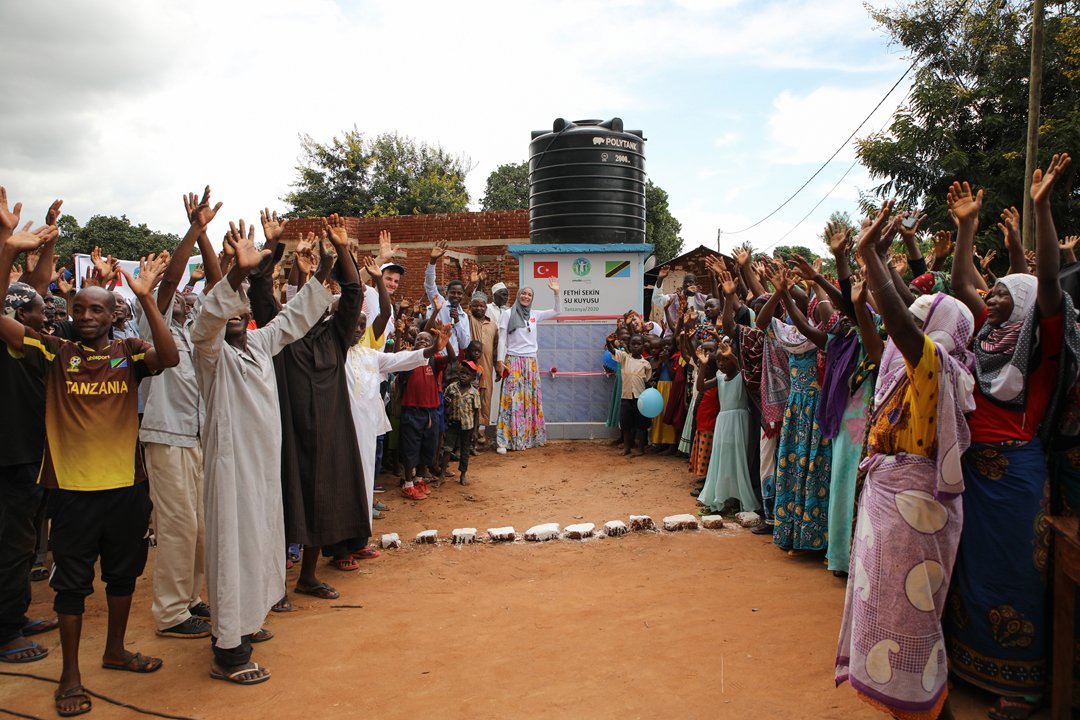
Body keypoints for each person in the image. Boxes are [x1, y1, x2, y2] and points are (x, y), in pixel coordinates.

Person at [1, 226, 179, 717]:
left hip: (126, 490)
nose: (84, 316)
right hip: (72, 492)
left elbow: (170, 357)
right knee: (72, 585)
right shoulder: (53, 353)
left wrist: (147, 300)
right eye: (77, 308)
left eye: (96, 309)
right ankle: (70, 676)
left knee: (123, 578)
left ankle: (116, 650)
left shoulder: (128, 354)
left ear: (112, 314)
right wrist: (9, 252)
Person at [945, 157, 1080, 718]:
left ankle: (1019, 687)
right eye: (990, 290)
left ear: (1024, 306)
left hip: (1017, 478)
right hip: (973, 471)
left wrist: (1042, 208)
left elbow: (1048, 281)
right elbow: (957, 284)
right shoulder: (989, 338)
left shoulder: (1042, 346)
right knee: (972, 567)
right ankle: (968, 663)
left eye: (1002, 292)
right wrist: (966, 230)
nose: (990, 296)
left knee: (1017, 572)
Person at [836, 200, 975, 720]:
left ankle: (928, 710)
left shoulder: (935, 367)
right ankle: (910, 708)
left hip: (912, 515)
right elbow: (883, 336)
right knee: (887, 617)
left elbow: (899, 326)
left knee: (910, 625)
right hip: (890, 509)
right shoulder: (903, 372)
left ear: (938, 328)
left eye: (921, 316)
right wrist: (870, 275)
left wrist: (872, 256)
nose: (908, 321)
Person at [191, 219, 334, 686]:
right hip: (231, 470)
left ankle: (245, 623)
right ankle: (228, 652)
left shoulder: (258, 342)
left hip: (262, 470)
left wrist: (328, 261)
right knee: (233, 551)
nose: (233, 317)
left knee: (258, 544)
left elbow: (294, 319)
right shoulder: (212, 356)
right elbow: (206, 323)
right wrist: (236, 275)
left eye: (239, 311)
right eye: (227, 311)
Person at [138, 187, 221, 639]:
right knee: (176, 525)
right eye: (182, 298)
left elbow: (219, 284)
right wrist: (194, 228)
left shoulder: (196, 336)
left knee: (200, 526)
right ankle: (170, 613)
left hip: (196, 438)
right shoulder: (151, 323)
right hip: (166, 436)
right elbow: (168, 283)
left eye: (194, 299)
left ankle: (190, 600)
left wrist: (208, 238)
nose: (188, 300)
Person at [343, 255, 449, 535]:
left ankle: (359, 539)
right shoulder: (333, 355)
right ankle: (344, 541)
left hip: (367, 428)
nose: (356, 329)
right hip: (341, 429)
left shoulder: (370, 355)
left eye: (360, 326)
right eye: (352, 324)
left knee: (367, 473)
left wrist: (431, 350)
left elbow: (403, 358)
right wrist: (375, 279)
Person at [757, 265, 832, 554]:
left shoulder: (823, 333)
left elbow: (807, 325)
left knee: (814, 471)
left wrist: (799, 289)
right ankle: (793, 535)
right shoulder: (790, 334)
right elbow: (763, 321)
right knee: (793, 471)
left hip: (817, 410)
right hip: (796, 407)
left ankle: (814, 538)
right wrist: (779, 291)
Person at [495, 277, 561, 453]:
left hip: (531, 362)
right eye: (523, 293)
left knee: (530, 400)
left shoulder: (534, 314)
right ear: (518, 295)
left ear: (532, 298)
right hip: (513, 360)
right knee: (511, 400)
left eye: (529, 294)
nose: (526, 296)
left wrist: (556, 292)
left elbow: (557, 311)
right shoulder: (507, 314)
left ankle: (528, 437)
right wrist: (500, 361)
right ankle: (504, 440)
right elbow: (502, 339)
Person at [698, 342, 759, 514]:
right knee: (723, 459)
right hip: (723, 421)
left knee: (738, 460)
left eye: (725, 360)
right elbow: (700, 387)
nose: (722, 364)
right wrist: (703, 365)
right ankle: (723, 497)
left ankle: (738, 498)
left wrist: (733, 356)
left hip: (739, 421)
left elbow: (746, 373)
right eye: (718, 361)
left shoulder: (742, 376)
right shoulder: (718, 378)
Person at [397, 326, 453, 498]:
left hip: (431, 413)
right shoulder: (407, 360)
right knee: (410, 449)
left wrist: (446, 341)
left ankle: (419, 479)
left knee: (427, 448)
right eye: (419, 339)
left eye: (426, 340)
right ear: (413, 344)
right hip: (412, 412)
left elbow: (452, 358)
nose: (422, 342)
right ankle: (408, 484)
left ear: (432, 345)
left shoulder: (435, 361)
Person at [608, 334, 653, 457]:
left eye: (639, 344)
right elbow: (612, 350)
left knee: (641, 425)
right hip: (626, 397)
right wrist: (609, 342)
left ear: (643, 346)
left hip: (640, 398)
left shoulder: (646, 364)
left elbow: (647, 381)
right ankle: (627, 447)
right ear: (629, 346)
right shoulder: (624, 358)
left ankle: (640, 449)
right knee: (625, 424)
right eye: (633, 344)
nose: (636, 346)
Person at [425, 240, 471, 353]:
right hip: (436, 356)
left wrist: (457, 321)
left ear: (463, 296)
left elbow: (464, 344)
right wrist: (433, 261)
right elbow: (430, 285)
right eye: (453, 292)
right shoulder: (439, 304)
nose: (456, 295)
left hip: (452, 360)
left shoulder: (463, 316)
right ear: (447, 293)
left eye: (459, 293)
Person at [441, 360, 482, 485]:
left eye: (467, 374)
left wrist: (475, 430)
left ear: (473, 378)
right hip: (453, 424)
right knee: (447, 449)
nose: (463, 376)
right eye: (462, 372)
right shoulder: (451, 388)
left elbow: (476, 412)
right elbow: (444, 403)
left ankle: (463, 475)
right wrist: (446, 410)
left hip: (467, 427)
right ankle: (442, 475)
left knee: (464, 451)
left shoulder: (474, 393)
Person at [467, 291, 498, 447]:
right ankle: (468, 435)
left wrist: (498, 366)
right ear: (471, 306)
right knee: (468, 400)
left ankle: (481, 432)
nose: (479, 307)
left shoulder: (492, 324)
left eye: (482, 305)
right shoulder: (468, 319)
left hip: (486, 368)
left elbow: (495, 348)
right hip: (469, 370)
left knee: (484, 400)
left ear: (486, 307)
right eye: (476, 305)